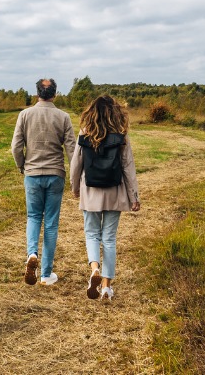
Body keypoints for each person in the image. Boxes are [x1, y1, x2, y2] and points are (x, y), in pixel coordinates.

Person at [69, 95, 139, 301]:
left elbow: (76, 164)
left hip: (90, 192)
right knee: (109, 239)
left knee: (91, 234)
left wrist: (75, 188)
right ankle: (107, 288)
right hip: (114, 192)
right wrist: (134, 196)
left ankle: (94, 270)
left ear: (92, 112)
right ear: (115, 113)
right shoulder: (121, 136)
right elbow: (128, 167)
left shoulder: (85, 133)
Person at [12, 78, 76, 286]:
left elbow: (16, 147)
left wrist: (22, 165)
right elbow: (72, 150)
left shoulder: (25, 115)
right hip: (55, 174)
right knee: (50, 224)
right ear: (55, 94)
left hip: (32, 173)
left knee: (33, 216)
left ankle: (32, 254)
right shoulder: (63, 117)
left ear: (37, 93)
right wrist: (75, 175)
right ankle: (47, 274)